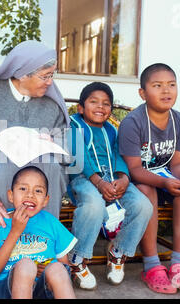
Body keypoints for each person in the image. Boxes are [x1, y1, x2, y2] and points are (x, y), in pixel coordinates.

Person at [0, 40, 70, 247]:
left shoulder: (52, 102)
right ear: (22, 74)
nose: (50, 82)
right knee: (5, 168)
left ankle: (44, 247)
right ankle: (3, 250)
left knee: (51, 168)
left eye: (52, 75)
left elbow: (68, 148)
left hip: (43, 173)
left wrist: (55, 142)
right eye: (45, 76)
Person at [118, 63, 180, 294]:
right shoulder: (133, 123)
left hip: (165, 176)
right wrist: (164, 182)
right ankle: (152, 266)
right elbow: (133, 169)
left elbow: (177, 164)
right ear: (143, 93)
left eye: (171, 85)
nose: (166, 91)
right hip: (136, 181)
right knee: (146, 189)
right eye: (158, 86)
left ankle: (178, 264)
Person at [67, 82, 152, 290]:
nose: (100, 107)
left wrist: (123, 178)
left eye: (106, 104)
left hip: (112, 179)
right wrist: (98, 182)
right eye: (93, 102)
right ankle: (77, 259)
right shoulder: (73, 125)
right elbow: (80, 158)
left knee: (143, 206)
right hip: (83, 179)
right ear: (80, 107)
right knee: (94, 205)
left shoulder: (112, 130)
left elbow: (118, 156)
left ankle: (118, 250)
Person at [0, 166, 77, 299]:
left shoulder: (51, 223)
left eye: (38, 190)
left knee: (57, 269)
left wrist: (45, 270)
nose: (30, 195)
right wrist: (15, 231)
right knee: (26, 265)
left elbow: (64, 268)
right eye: (23, 189)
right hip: (7, 290)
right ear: (11, 195)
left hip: (43, 290)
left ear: (46, 200)